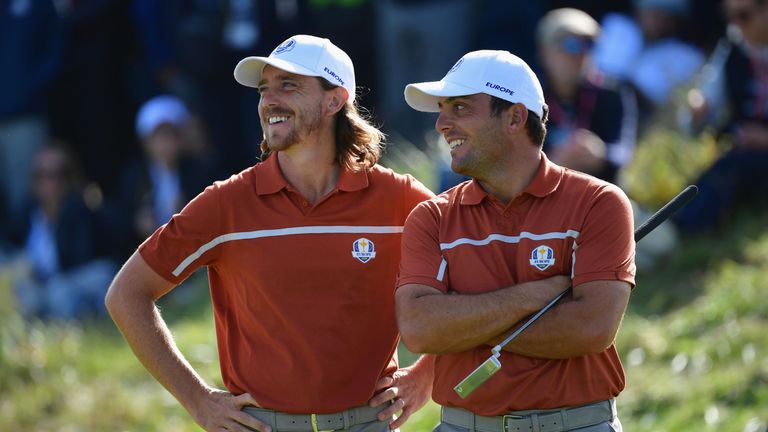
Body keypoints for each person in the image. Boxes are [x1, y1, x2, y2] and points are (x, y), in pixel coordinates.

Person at [105, 35, 435, 432]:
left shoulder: (399, 199)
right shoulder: (227, 204)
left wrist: (425, 377)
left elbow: (474, 275)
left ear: (334, 100)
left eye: (288, 85)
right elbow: (126, 294)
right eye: (264, 89)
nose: (269, 101)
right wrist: (197, 399)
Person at [396, 50, 636, 431]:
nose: (442, 123)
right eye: (442, 109)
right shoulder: (432, 217)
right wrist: (532, 297)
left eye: (460, 108)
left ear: (515, 116)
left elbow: (591, 328)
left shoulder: (599, 202)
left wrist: (461, 323)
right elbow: (420, 330)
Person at [673, 0, 768, 233]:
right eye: (730, 16)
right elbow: (702, 111)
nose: (735, 25)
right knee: (721, 173)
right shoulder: (732, 49)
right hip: (744, 156)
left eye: (743, 16)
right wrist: (698, 112)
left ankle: (683, 231)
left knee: (728, 170)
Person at [3, 142, 116, 320]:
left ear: (69, 177)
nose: (49, 182)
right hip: (42, 287)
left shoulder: (84, 210)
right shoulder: (28, 212)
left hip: (79, 280)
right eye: (41, 175)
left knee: (60, 292)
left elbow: (80, 259)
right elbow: (11, 246)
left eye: (56, 175)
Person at [537, 8, 638, 184]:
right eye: (570, 44)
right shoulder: (529, 97)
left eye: (588, 44)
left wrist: (600, 155)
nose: (580, 54)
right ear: (546, 53)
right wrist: (549, 161)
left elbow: (623, 151)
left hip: (598, 192)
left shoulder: (613, 93)